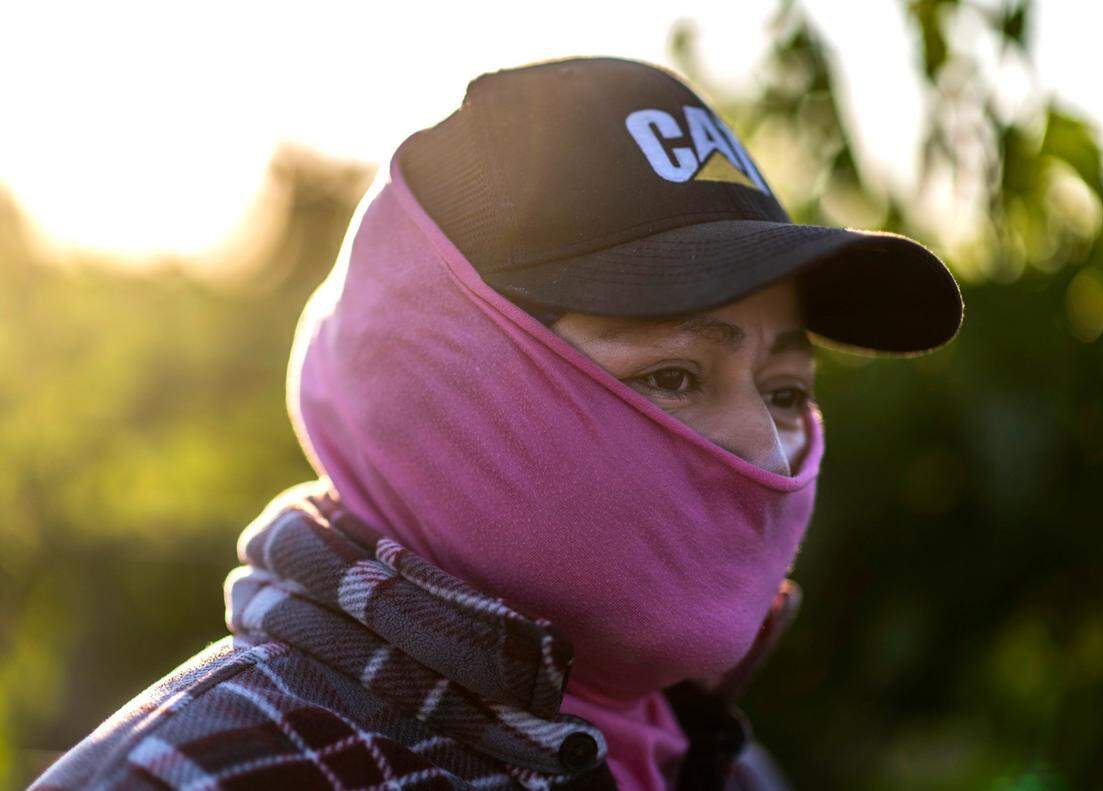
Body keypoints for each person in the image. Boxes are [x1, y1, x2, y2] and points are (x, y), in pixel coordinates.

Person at [30, 56, 962, 790]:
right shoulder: (201, 774)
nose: (765, 449)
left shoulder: (715, 761)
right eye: (674, 375)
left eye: (787, 389)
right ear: (444, 389)